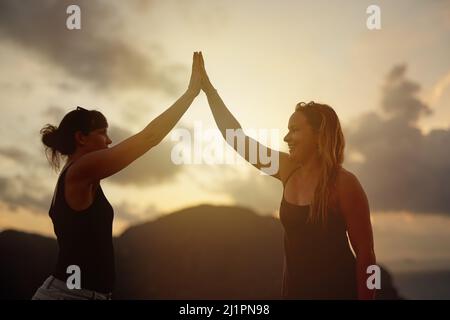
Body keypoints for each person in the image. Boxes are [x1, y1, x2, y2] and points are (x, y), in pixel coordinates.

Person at [197, 52, 376, 299]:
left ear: (318, 135)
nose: (286, 138)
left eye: (294, 130)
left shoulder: (345, 184)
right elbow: (236, 139)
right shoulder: (286, 168)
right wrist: (209, 91)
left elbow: (367, 257)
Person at [32, 52, 203, 300]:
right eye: (103, 133)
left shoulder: (83, 177)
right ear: (81, 138)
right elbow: (149, 138)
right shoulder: (80, 170)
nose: (110, 141)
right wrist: (190, 94)